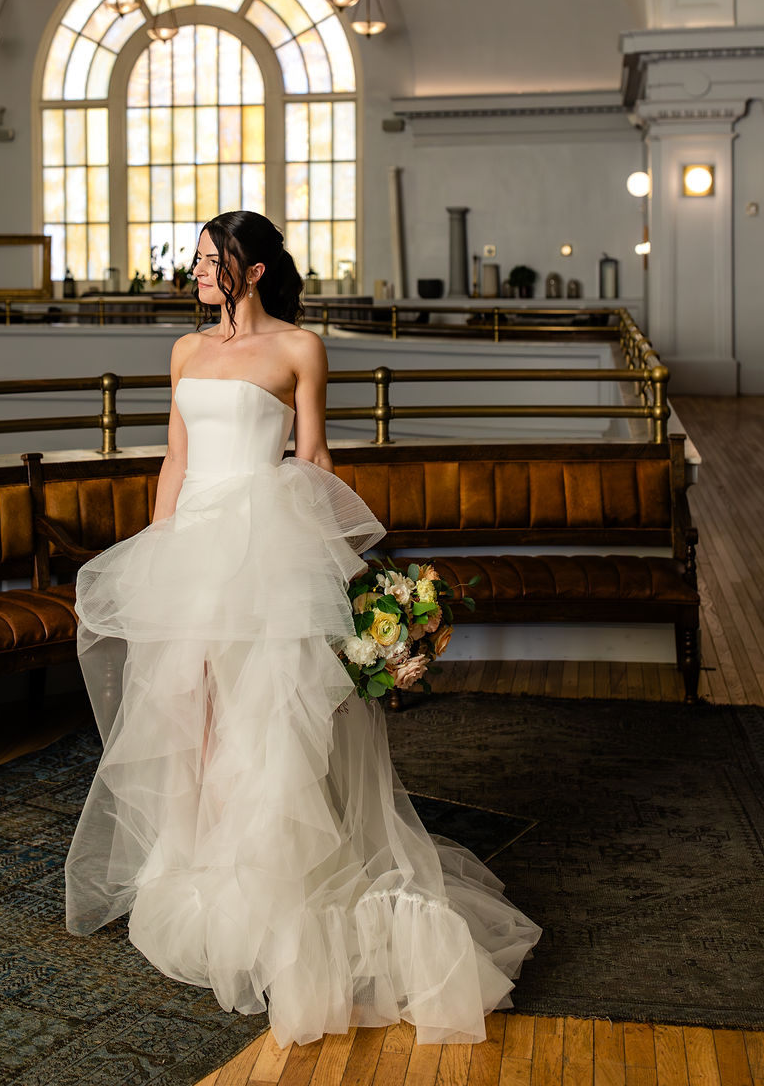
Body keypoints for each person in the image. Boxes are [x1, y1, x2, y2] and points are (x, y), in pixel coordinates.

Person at [65, 211, 539, 1047]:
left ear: (251, 270)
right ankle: (202, 869)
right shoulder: (184, 350)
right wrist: (159, 553)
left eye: (211, 260)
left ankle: (270, 881)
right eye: (197, 260)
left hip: (269, 547)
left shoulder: (299, 347)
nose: (197, 272)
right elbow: (175, 456)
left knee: (265, 711)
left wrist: (347, 572)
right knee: (190, 710)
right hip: (193, 550)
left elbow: (314, 456)